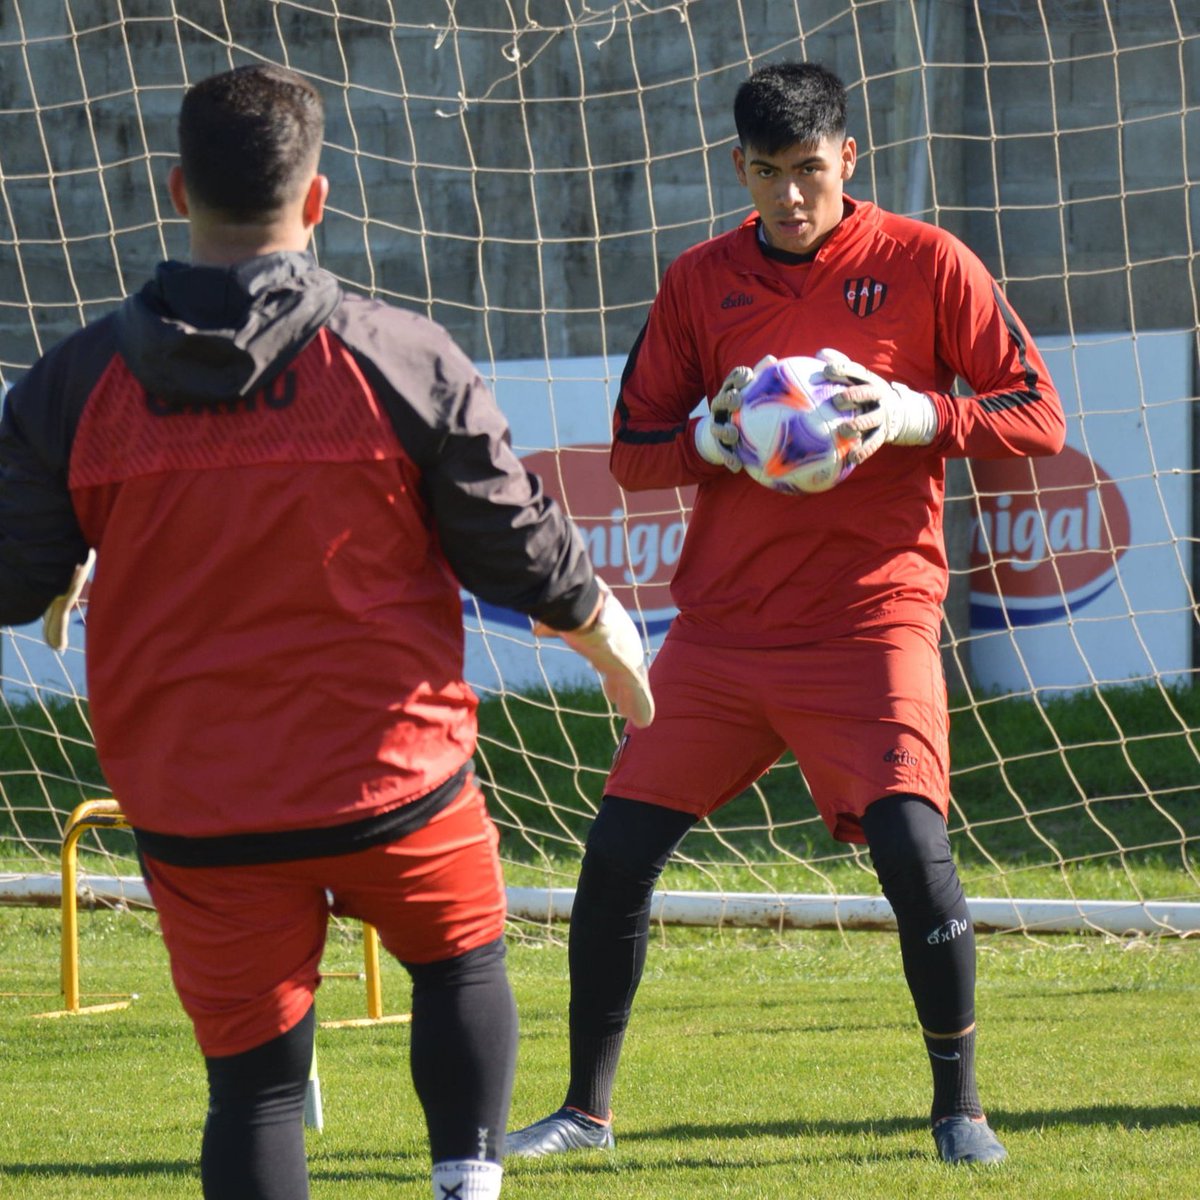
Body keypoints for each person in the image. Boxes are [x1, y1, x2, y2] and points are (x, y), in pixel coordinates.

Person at [0, 64, 653, 1200]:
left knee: (251, 1094)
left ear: (172, 188)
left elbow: (14, 578)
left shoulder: (73, 382)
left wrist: (67, 552)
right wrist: (601, 626)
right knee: (462, 966)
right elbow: (513, 543)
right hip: (392, 781)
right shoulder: (401, 355)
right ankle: (467, 1183)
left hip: (197, 807)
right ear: (318, 200)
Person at [505, 60, 1064, 1167]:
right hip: (725, 632)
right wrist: (713, 443)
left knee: (914, 848)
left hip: (874, 624)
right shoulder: (698, 281)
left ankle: (961, 1111)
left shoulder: (926, 262)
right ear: (740, 170)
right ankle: (586, 1112)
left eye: (810, 170)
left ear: (848, 159)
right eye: (769, 174)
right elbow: (630, 452)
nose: (792, 197)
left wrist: (914, 415)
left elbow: (1037, 414)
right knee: (615, 857)